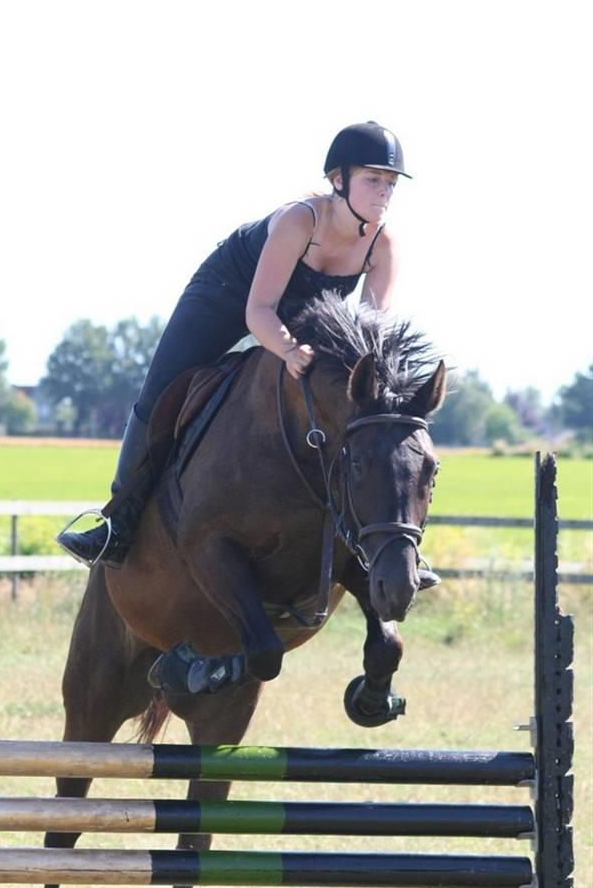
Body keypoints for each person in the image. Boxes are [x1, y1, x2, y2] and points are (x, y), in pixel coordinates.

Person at [58, 121, 432, 581]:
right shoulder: (300, 221)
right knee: (160, 390)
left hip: (302, 312)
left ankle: (393, 546)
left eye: (390, 183)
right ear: (339, 179)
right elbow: (259, 312)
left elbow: (370, 338)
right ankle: (117, 522)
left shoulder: (383, 243)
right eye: (372, 180)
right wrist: (289, 351)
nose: (384, 193)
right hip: (227, 294)